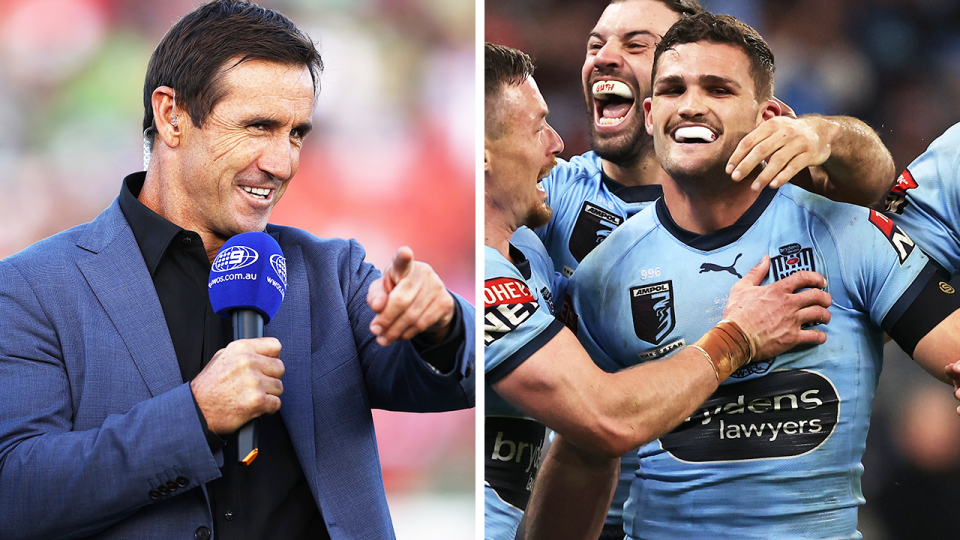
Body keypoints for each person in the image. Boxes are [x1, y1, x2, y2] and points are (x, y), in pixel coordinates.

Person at [0, 2, 474, 539]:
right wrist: (193, 418)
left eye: (297, 133)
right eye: (258, 126)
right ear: (171, 116)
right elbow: (15, 493)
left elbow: (450, 378)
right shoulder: (31, 289)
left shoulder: (333, 273)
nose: (283, 163)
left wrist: (442, 326)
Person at [538, 12, 960, 539]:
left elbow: (952, 346)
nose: (691, 105)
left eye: (717, 89)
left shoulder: (848, 234)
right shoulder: (602, 274)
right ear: (649, 114)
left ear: (768, 118)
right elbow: (583, 456)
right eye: (672, 89)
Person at [483, 41, 833, 540]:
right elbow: (603, 418)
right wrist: (737, 337)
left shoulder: (532, 250)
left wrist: (825, 139)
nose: (557, 143)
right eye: (538, 127)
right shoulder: (484, 274)